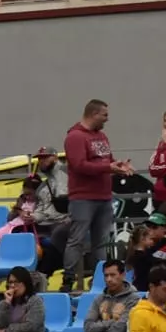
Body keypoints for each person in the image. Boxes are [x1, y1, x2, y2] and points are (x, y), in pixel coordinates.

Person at [64, 98, 130, 289]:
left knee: (101, 243)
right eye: (104, 115)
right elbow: (79, 165)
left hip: (104, 196)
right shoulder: (75, 136)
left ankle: (101, 280)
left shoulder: (102, 136)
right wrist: (108, 167)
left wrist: (118, 166)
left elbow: (106, 161)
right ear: (94, 114)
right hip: (83, 197)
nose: (107, 119)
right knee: (76, 240)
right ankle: (68, 279)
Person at [83, 260, 139, 332]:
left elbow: (122, 329)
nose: (109, 279)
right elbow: (88, 328)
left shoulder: (133, 299)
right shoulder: (99, 299)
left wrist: (100, 326)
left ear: (123, 275)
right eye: (106, 275)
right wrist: (112, 322)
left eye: (113, 275)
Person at [0, 268, 47, 332]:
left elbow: (30, 326)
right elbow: (0, 325)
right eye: (10, 282)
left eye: (17, 282)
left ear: (26, 283)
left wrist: (7, 331)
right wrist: (6, 304)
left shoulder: (35, 301)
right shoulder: (4, 303)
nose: (13, 286)